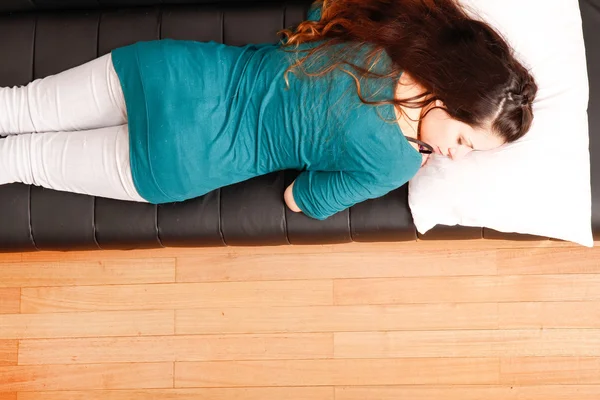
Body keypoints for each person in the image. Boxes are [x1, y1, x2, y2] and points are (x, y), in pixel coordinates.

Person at [0, 0, 537, 221]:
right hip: (178, 161)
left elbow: (316, 12)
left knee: (16, 106)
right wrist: (407, 158)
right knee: (26, 162)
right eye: (466, 141)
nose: (455, 155)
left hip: (168, 72)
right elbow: (301, 198)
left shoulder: (384, 33)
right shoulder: (394, 163)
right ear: (450, 98)